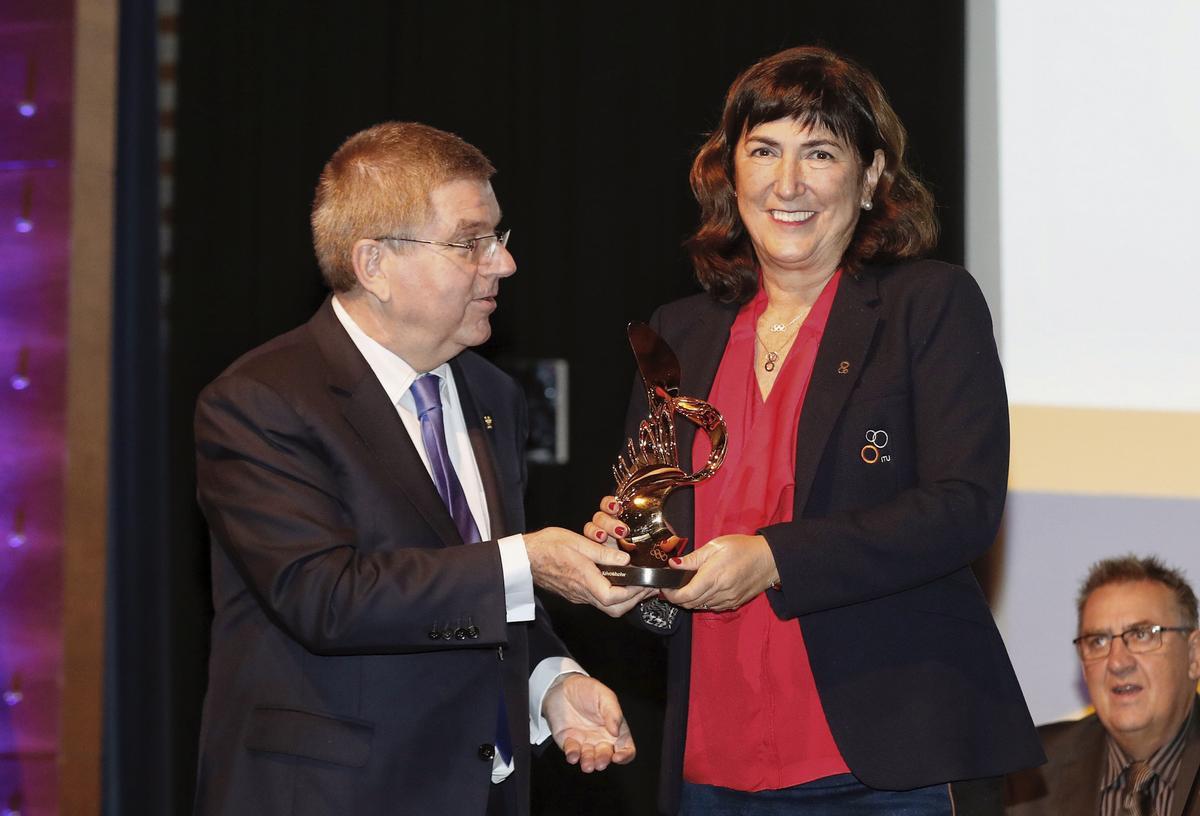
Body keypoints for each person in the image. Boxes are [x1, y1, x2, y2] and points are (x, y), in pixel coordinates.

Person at [585, 46, 1042, 814]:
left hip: (884, 765)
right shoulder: (679, 335)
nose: (787, 184)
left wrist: (773, 559)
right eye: (763, 151)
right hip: (713, 764)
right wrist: (634, 564)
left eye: (820, 153)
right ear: (730, 174)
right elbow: (663, 573)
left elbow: (962, 507)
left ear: (869, 178)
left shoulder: (927, 306)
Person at [192, 122, 652, 815]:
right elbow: (325, 597)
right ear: (374, 263)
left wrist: (548, 683)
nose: (503, 264)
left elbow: (464, 587)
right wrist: (526, 562)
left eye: (499, 237)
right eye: (471, 242)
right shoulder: (261, 400)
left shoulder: (491, 396)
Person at [1005, 555, 1200, 815]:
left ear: (1194, 655)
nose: (1117, 662)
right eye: (1098, 641)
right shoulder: (1029, 774)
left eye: (1142, 635)